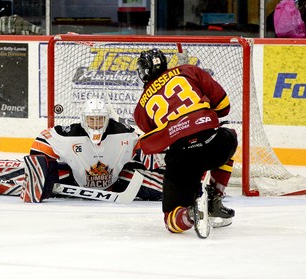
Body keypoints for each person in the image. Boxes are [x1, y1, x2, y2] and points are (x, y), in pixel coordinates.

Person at [133, 48, 238, 234]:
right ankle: (215, 198)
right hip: (213, 143)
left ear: (143, 72)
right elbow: (224, 106)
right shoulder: (188, 70)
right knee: (229, 136)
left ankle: (190, 214)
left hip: (182, 158)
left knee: (171, 220)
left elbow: (157, 139)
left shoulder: (141, 107)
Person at [17, 98, 163, 202]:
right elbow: (41, 142)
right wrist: (41, 169)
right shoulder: (70, 134)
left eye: (100, 119)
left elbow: (142, 146)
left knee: (162, 189)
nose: (95, 124)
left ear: (107, 119)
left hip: (116, 182)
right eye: (91, 119)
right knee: (21, 176)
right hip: (73, 181)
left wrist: (153, 163)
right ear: (83, 119)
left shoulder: (122, 133)